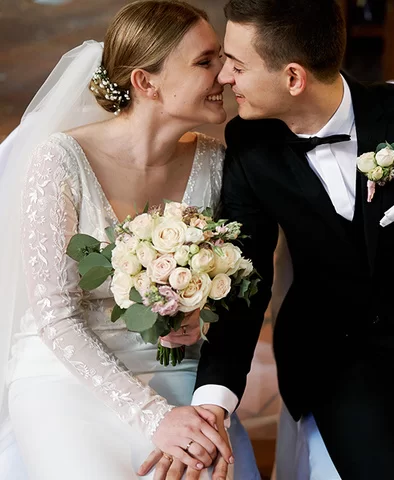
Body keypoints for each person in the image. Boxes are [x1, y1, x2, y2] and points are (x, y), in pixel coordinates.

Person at [150, 0, 394, 479]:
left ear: (293, 78)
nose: (223, 77)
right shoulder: (250, 146)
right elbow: (244, 281)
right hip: (339, 361)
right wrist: (213, 401)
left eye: (237, 65)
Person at [0, 1, 262, 479]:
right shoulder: (59, 161)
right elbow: (56, 317)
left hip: (178, 367)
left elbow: (234, 290)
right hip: (66, 374)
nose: (226, 75)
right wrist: (153, 416)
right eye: (206, 61)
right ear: (146, 82)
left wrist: (193, 316)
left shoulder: (218, 163)